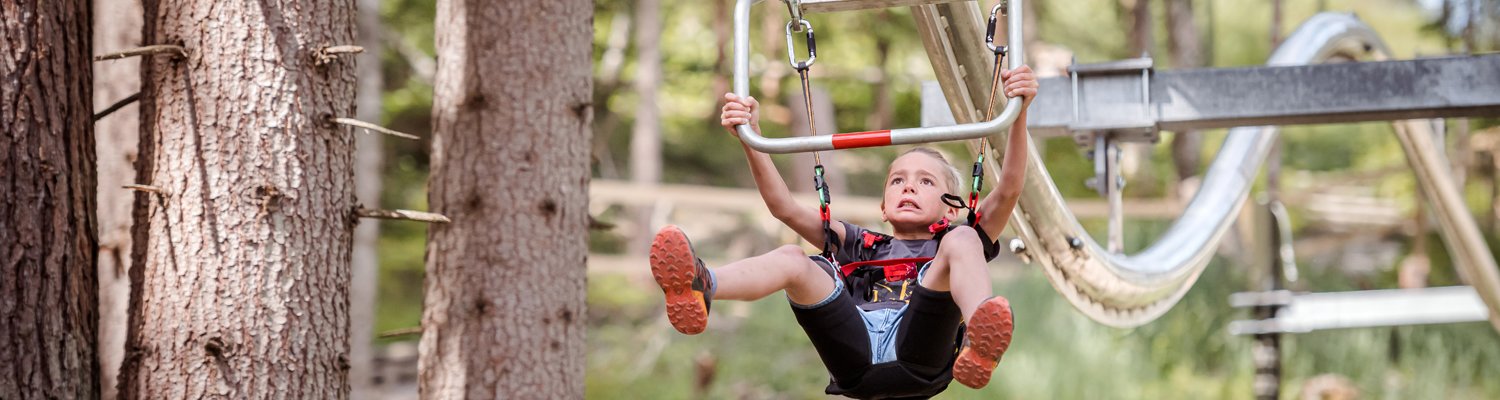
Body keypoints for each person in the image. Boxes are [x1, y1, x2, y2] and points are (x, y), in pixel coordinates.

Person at [649, 65, 1038, 399]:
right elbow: (783, 208)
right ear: (882, 208)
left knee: (963, 240)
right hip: (854, 354)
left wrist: (1018, 114)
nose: (908, 187)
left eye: (925, 182)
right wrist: (752, 138)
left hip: (919, 353)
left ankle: (978, 340)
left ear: (952, 205)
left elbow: (1009, 188)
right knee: (793, 259)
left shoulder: (954, 241)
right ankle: (701, 286)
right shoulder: (860, 245)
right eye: (898, 180)